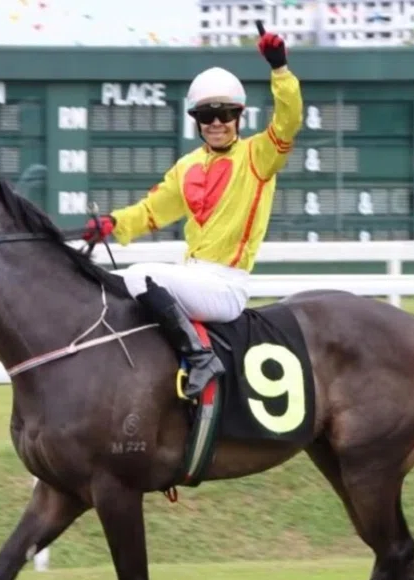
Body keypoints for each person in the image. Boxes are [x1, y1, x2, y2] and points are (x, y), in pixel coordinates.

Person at [83, 25, 303, 400]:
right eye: (206, 115)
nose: (216, 122)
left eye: (224, 113)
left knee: (139, 277)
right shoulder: (186, 167)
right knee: (119, 284)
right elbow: (151, 211)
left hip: (226, 285)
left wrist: (279, 69)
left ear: (239, 116)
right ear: (196, 120)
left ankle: (200, 358)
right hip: (194, 277)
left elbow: (289, 120)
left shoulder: (258, 157)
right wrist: (112, 224)